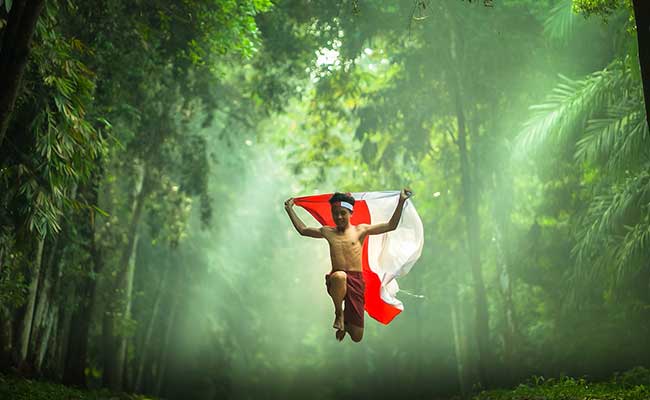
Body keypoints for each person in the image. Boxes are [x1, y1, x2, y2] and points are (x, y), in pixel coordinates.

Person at [284, 188, 412, 342]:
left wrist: (401, 201)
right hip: (337, 280)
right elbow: (303, 230)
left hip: (356, 281)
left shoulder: (361, 230)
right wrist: (289, 209)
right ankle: (339, 313)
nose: (338, 217)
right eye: (335, 213)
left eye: (342, 213)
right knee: (339, 276)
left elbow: (391, 225)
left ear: (351, 213)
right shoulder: (328, 231)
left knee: (357, 337)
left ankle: (346, 322)